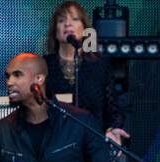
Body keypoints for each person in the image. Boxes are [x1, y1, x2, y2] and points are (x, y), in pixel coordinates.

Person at [42, 2, 129, 146]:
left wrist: (113, 128)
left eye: (75, 19)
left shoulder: (99, 65)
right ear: (55, 31)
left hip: (91, 145)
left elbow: (113, 107)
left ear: (84, 29)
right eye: (62, 20)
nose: (68, 24)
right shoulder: (44, 65)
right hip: (55, 146)